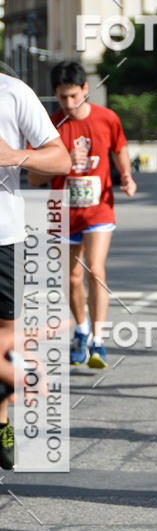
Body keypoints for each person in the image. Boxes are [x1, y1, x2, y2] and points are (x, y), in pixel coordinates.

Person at [28, 60, 136, 369]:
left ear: (86, 89)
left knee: (95, 270)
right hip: (63, 210)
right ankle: (81, 330)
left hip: (98, 207)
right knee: (73, 276)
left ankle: (98, 341)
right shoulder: (50, 126)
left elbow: (119, 148)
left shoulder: (107, 118)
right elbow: (34, 178)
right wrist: (61, 163)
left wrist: (126, 175)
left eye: (75, 96)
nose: (70, 104)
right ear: (56, 95)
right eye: (63, 98)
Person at [0, 72, 71, 469]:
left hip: (3, 236)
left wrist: (13, 156)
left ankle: (2, 419)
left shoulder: (12, 92)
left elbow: (59, 157)